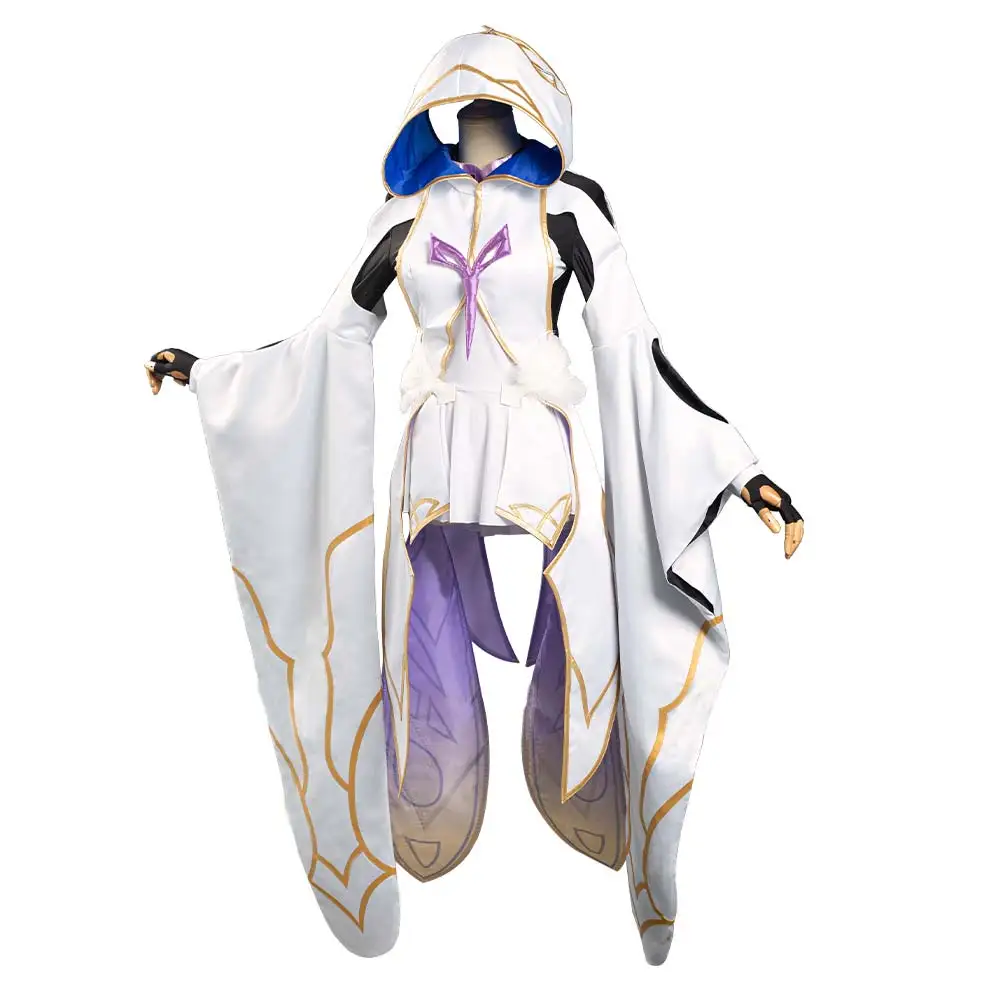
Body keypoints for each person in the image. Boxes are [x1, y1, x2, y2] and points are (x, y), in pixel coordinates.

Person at [147, 26, 804, 966]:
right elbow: (329, 337)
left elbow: (632, 348)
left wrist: (737, 468)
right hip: (430, 466)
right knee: (418, 645)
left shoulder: (567, 207)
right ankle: (427, 793)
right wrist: (211, 371)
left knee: (584, 630)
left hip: (540, 455)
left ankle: (587, 778)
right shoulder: (404, 210)